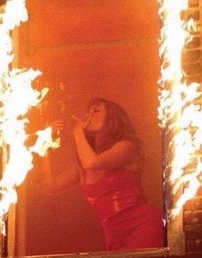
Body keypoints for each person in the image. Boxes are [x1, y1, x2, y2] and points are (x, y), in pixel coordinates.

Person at [47, 97, 164, 251]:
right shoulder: (83, 165)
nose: (88, 116)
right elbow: (51, 186)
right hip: (113, 233)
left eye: (95, 111)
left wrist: (77, 133)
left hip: (141, 225)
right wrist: (44, 146)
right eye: (87, 112)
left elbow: (93, 163)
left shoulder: (127, 147)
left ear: (112, 118)